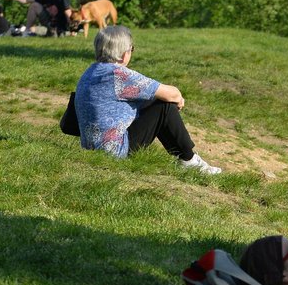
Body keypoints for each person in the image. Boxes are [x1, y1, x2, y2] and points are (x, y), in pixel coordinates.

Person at [73, 25, 221, 174]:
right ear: (124, 54)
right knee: (164, 106)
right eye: (131, 49)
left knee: (152, 99)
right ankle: (189, 160)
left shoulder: (90, 71)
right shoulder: (120, 75)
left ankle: (185, 158)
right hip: (115, 150)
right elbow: (172, 94)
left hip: (92, 146)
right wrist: (178, 99)